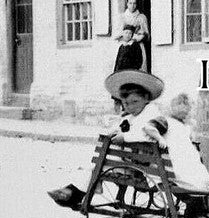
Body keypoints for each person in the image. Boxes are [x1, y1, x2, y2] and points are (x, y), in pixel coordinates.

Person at [47, 70, 167, 210]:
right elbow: (121, 127)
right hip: (131, 160)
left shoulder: (151, 114)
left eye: (134, 102)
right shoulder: (133, 115)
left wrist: (124, 136)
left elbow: (148, 133)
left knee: (98, 165)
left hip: (141, 165)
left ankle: (72, 193)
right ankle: (73, 191)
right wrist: (116, 132)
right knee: (96, 165)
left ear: (147, 98)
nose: (130, 107)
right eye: (126, 104)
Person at [119, 0, 150, 71]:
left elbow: (146, 34)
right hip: (125, 45)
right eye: (130, 3)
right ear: (127, 4)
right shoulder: (122, 17)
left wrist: (138, 37)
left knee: (138, 67)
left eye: (134, 3)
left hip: (137, 45)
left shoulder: (141, 17)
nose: (132, 6)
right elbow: (119, 33)